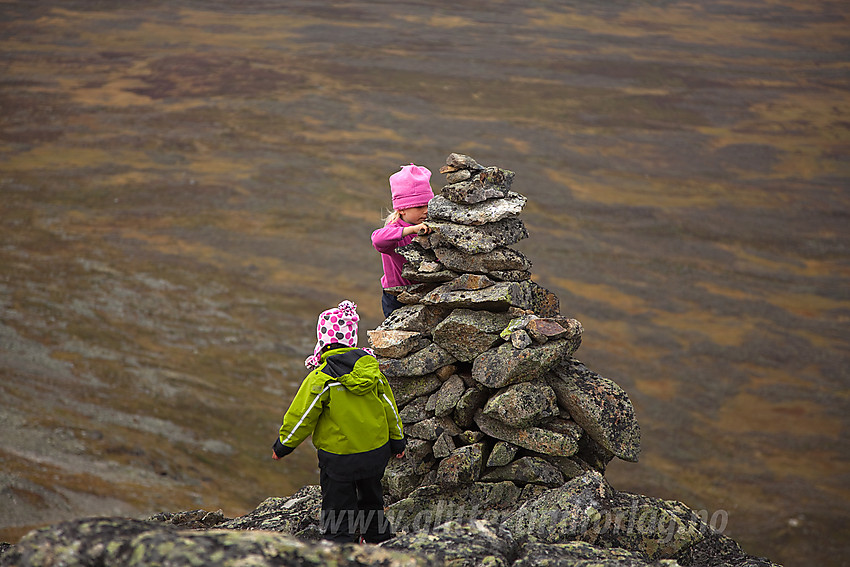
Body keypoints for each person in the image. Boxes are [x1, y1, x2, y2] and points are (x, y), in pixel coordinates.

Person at [271, 300, 406, 544]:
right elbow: (390, 410)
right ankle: (378, 543)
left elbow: (302, 416)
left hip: (339, 459)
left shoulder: (321, 377)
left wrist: (284, 446)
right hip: (375, 454)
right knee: (372, 501)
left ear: (322, 340)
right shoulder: (372, 371)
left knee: (337, 507)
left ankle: (340, 548)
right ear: (351, 339)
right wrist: (398, 443)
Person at [371, 163, 435, 317]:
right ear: (401, 209)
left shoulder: (432, 225)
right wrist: (411, 230)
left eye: (428, 205)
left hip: (425, 292)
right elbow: (377, 240)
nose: (425, 210)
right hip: (396, 296)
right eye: (419, 207)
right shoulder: (395, 230)